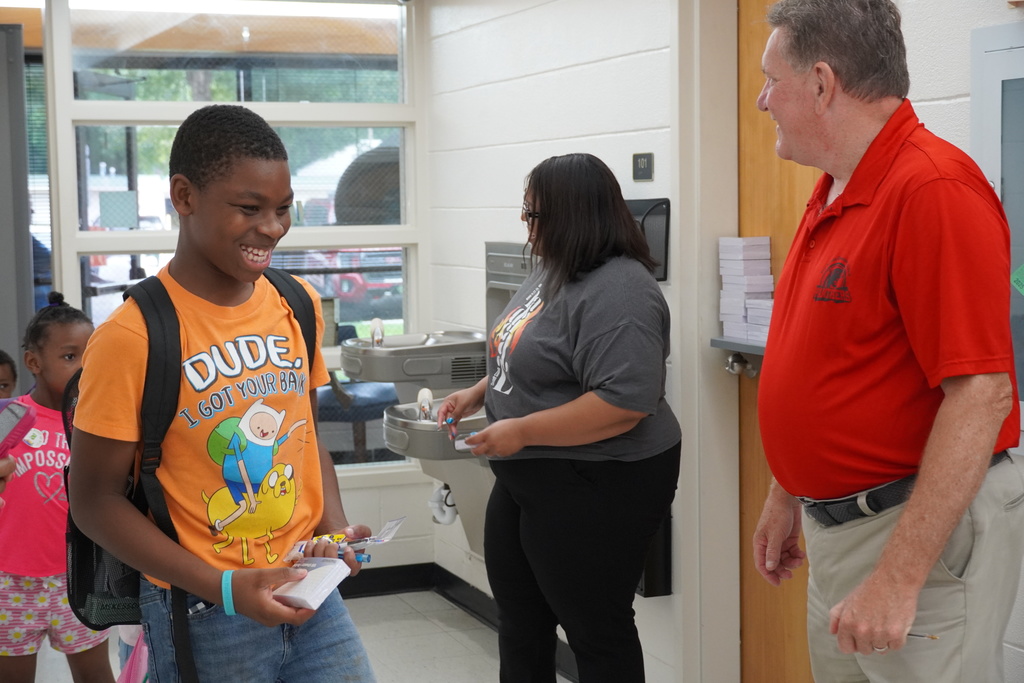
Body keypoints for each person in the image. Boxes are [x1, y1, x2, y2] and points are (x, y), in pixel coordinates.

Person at [752, 1, 1024, 681]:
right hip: (840, 531)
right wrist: (789, 489)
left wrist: (900, 577)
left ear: (821, 83)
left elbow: (982, 394)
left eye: (771, 80)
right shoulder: (835, 191)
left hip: (912, 537)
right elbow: (836, 361)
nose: (762, 101)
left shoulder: (932, 189)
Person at [67, 104, 375, 682]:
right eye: (248, 208)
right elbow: (94, 502)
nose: (273, 227)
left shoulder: (298, 305)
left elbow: (306, 442)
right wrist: (228, 588)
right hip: (204, 608)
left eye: (283, 209)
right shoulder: (131, 337)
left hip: (310, 590)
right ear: (184, 196)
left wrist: (333, 533)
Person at [437, 153, 682, 683]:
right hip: (530, 472)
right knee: (521, 621)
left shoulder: (622, 291)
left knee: (596, 630)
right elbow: (529, 350)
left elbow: (624, 403)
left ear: (574, 216)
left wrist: (520, 429)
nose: (526, 228)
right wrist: (478, 393)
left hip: (600, 477)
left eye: (534, 216)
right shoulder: (553, 268)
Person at [0, 293, 114, 683]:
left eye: (90, 356)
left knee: (97, 676)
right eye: (69, 357)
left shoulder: (96, 426)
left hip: (78, 579)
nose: (83, 368)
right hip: (9, 584)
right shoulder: (9, 418)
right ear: (33, 362)